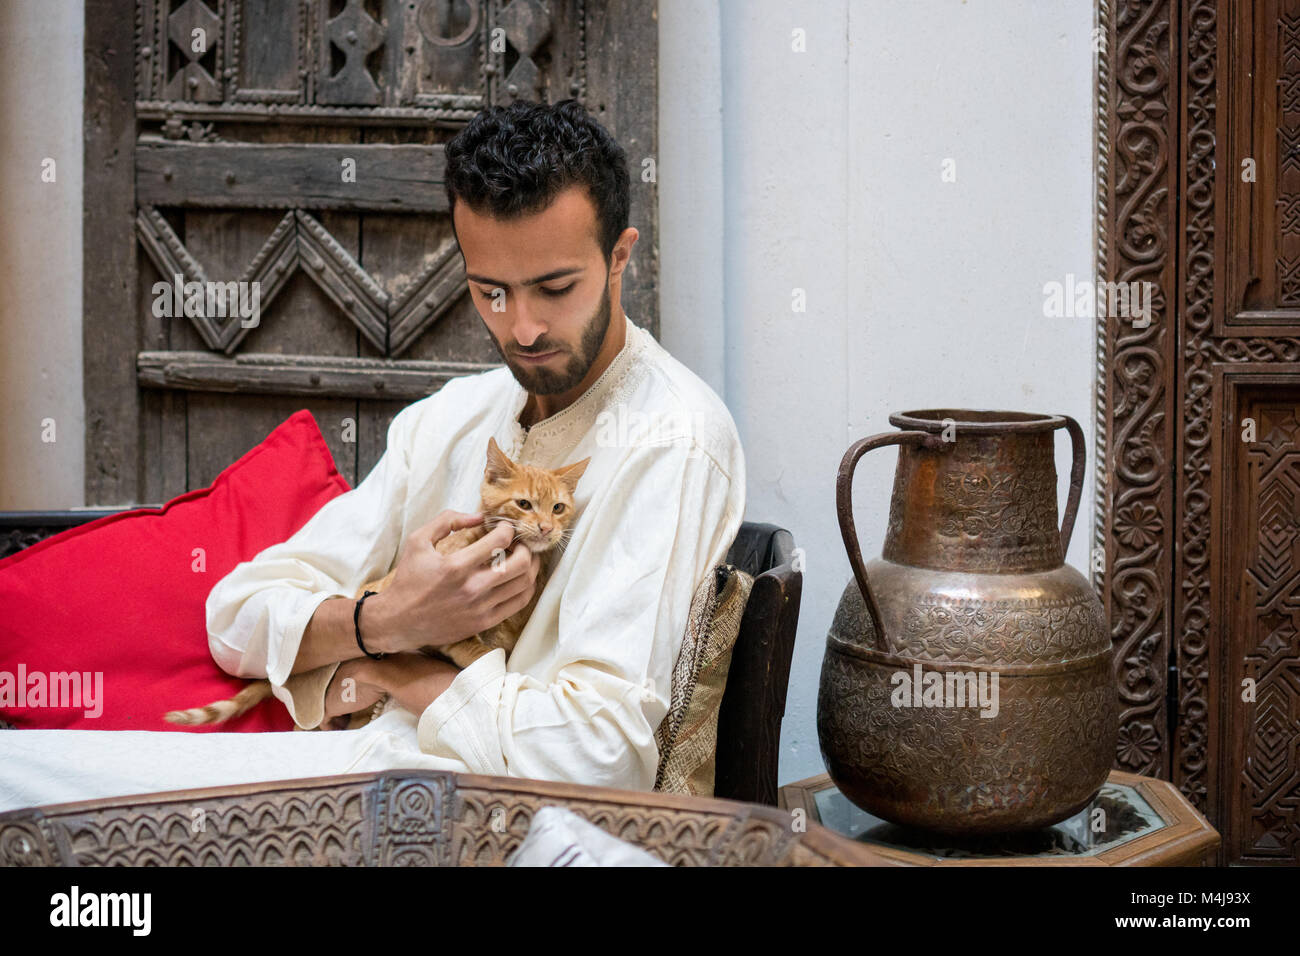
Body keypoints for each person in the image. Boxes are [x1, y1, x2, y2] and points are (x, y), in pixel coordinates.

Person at [0, 99, 745, 812]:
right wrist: (386, 621)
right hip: (357, 770)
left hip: (469, 813)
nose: (520, 328)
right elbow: (234, 619)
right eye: (490, 292)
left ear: (621, 258)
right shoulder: (452, 418)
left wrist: (402, 671)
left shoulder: (670, 440)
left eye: (554, 288)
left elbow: (599, 759)